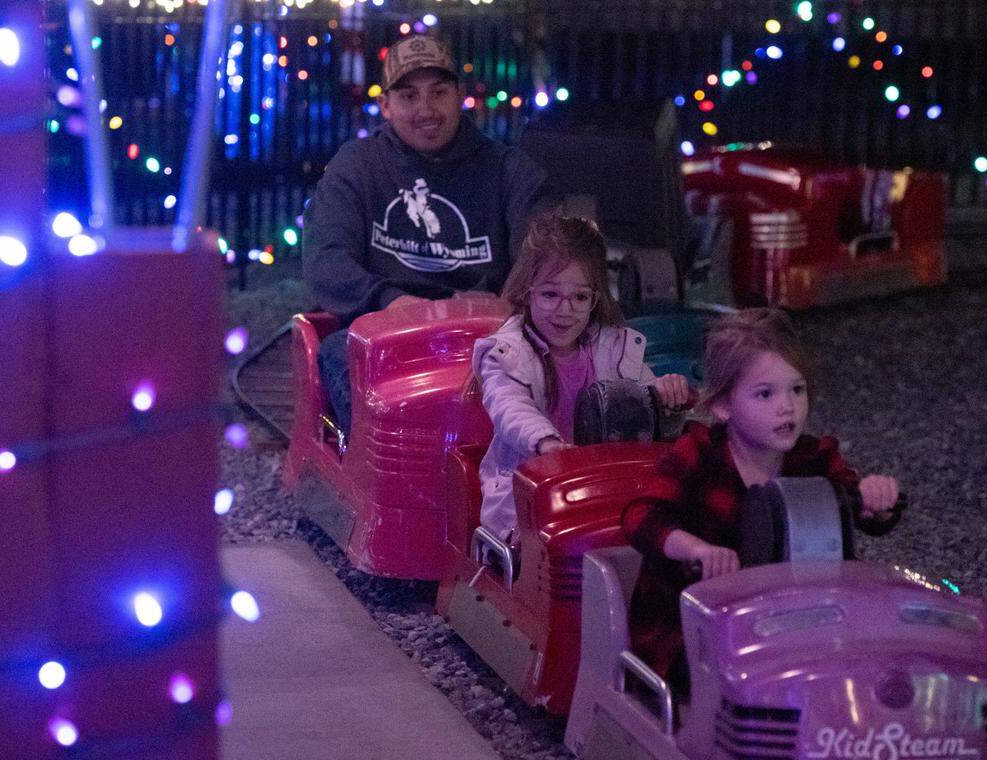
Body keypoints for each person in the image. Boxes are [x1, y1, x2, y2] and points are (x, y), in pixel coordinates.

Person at [621, 308, 901, 696]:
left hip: (792, 617)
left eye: (796, 390)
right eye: (765, 394)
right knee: (739, 671)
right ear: (723, 406)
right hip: (697, 621)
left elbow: (854, 504)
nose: (786, 407)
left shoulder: (815, 457)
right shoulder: (699, 452)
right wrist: (698, 550)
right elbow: (640, 517)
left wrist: (876, 498)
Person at [303, 34, 555, 432]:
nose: (426, 110)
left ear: (459, 96)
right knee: (337, 353)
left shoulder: (510, 170)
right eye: (408, 97)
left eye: (438, 93)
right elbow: (326, 260)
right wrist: (392, 301)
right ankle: (389, 483)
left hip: (489, 332)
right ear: (385, 105)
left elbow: (544, 260)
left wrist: (502, 306)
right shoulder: (356, 167)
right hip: (389, 333)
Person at [473, 216, 693, 542]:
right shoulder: (505, 354)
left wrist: (665, 399)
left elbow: (640, 395)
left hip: (605, 486)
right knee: (561, 541)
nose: (566, 310)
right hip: (526, 491)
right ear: (526, 293)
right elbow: (509, 408)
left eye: (579, 297)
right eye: (550, 295)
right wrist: (547, 444)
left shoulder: (614, 347)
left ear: (595, 299)